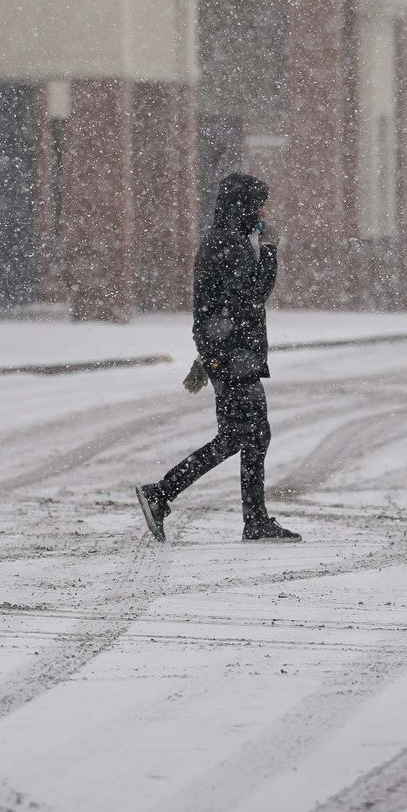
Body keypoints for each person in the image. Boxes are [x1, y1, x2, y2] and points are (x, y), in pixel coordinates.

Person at [136, 173, 300, 543]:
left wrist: (206, 355)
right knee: (241, 436)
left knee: (251, 436)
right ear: (241, 206)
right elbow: (255, 293)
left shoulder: (224, 241)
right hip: (234, 357)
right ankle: (161, 494)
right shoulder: (229, 245)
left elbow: (217, 306)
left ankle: (253, 519)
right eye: (257, 205)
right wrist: (270, 248)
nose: (261, 213)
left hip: (230, 355)